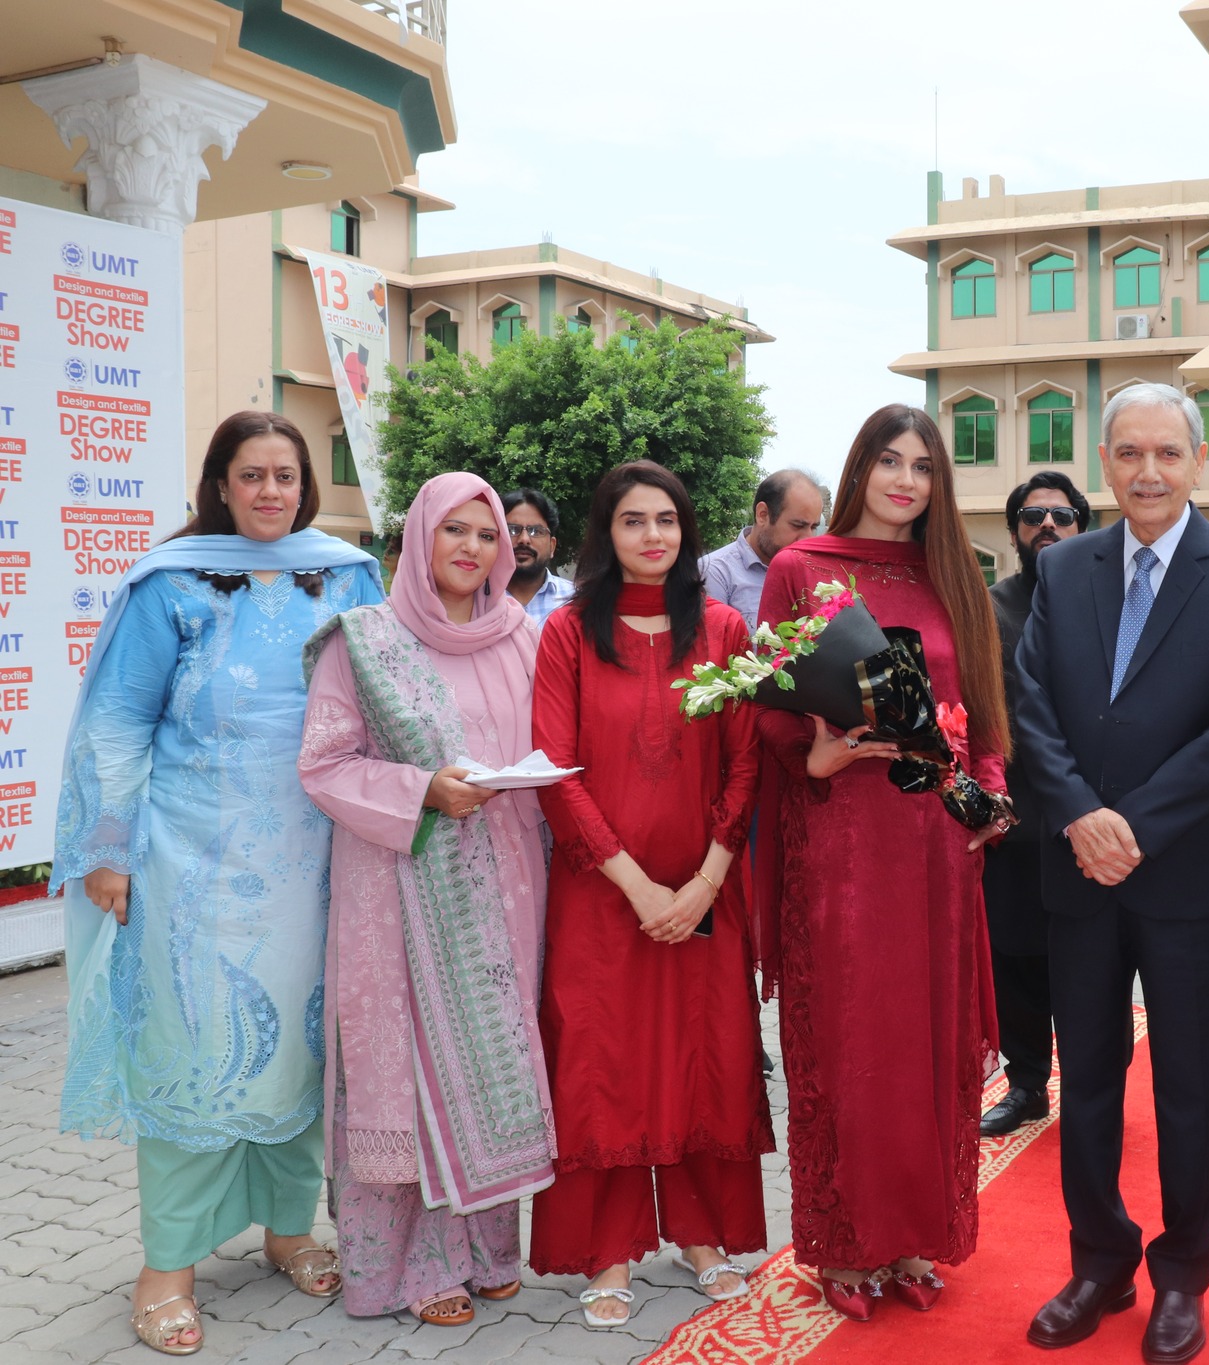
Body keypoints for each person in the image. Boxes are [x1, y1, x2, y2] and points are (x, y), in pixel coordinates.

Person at [50, 411, 384, 1356]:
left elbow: (389, 699)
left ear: (306, 487)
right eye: (252, 475)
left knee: (303, 1051)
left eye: (286, 475)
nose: (271, 491)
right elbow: (118, 721)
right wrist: (108, 849)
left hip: (319, 864)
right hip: (191, 865)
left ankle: (289, 1229)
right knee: (192, 1049)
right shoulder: (171, 582)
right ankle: (167, 1266)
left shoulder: (348, 576)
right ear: (221, 485)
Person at [1012, 382, 1209, 1365]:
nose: (1148, 472)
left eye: (1167, 453)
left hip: (1189, 880)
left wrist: (1131, 824)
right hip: (1079, 875)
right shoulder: (1064, 566)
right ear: (1104, 461)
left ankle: (1182, 1272)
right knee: (1086, 1078)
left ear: (1198, 460)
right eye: (1129, 453)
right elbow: (1030, 701)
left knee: (1192, 1090)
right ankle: (1099, 1261)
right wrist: (1080, 815)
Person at [752, 404, 1009, 1321]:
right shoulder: (801, 568)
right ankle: (845, 1244)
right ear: (860, 467)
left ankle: (911, 1236)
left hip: (935, 840)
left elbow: (981, 701)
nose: (906, 480)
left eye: (924, 466)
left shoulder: (953, 574)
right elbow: (768, 699)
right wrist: (809, 755)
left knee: (927, 1041)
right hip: (842, 840)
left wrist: (989, 795)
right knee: (852, 1038)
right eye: (890, 461)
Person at [298, 473, 554, 1325]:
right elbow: (324, 763)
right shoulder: (362, 639)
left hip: (505, 877)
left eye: (488, 534)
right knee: (406, 1068)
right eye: (455, 530)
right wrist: (423, 789)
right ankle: (409, 1270)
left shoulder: (523, 636)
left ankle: (486, 1250)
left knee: (489, 1055)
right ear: (418, 538)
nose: (472, 547)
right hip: (397, 882)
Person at [529, 461, 771, 1328]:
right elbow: (554, 770)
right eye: (633, 520)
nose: (653, 535)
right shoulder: (567, 632)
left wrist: (705, 880)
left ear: (686, 529)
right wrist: (636, 885)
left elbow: (746, 761)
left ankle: (702, 1236)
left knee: (706, 1057)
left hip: (706, 890)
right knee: (606, 1064)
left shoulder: (724, 628)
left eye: (666, 519)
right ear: (606, 533)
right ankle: (609, 1248)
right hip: (602, 893)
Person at [980, 471, 1091, 1139]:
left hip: (1092, 816)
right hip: (1015, 816)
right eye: (1032, 516)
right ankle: (1026, 1085)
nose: (1047, 525)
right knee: (1014, 957)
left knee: (1089, 960)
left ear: (1082, 525)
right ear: (1015, 531)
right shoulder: (988, 607)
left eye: (1062, 515)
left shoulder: (1111, 600)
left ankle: (1091, 1087)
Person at [699, 468, 829, 624]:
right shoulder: (714, 572)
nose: (807, 539)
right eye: (797, 525)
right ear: (762, 515)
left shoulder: (811, 574)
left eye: (813, 527)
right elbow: (713, 637)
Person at [502, 488, 575, 622]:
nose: (524, 539)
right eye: (512, 530)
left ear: (552, 546)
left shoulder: (576, 600)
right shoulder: (476, 600)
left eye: (536, 531)